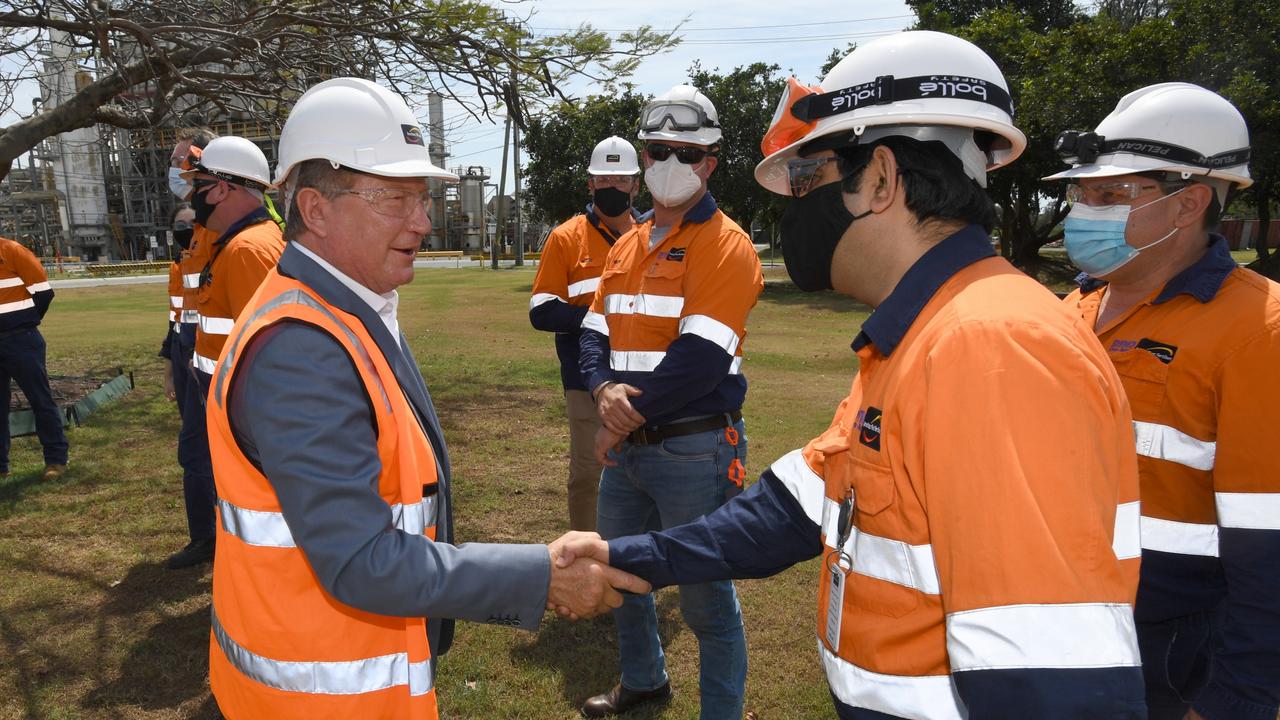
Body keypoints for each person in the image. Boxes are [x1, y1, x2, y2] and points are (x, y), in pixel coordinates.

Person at [555, 31, 1148, 719]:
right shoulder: (923, 335)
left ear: (882, 179)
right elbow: (794, 507)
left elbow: (1053, 681)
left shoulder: (991, 345)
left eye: (809, 179)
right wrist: (627, 556)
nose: (796, 205)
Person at [205, 77, 649, 720]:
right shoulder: (300, 349)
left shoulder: (349, 309)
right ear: (317, 208)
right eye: (395, 199)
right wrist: (539, 576)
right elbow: (361, 558)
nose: (423, 220)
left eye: (423, 198)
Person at [1047, 82, 1280, 720]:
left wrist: (1237, 698)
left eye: (1111, 194)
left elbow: (1269, 540)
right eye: (1082, 193)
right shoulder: (1073, 311)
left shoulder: (1258, 331)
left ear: (1189, 204)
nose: (1085, 211)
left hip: (1175, 647)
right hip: (1062, 621)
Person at [576, 84, 763, 719]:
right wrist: (603, 392)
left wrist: (621, 417)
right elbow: (594, 330)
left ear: (711, 161)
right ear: (642, 159)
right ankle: (644, 681)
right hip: (630, 446)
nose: (671, 163)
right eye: (658, 150)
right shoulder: (627, 243)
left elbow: (701, 359)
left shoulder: (725, 245)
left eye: (688, 151)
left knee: (705, 598)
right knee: (623, 578)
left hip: (693, 446)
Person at [530, 135, 643, 531]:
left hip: (646, 377)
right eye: (604, 180)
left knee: (648, 472)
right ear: (590, 184)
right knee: (588, 473)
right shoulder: (566, 237)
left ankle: (642, 554)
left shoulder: (655, 235)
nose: (612, 188)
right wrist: (599, 316)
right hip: (585, 380)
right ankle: (586, 555)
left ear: (636, 185)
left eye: (621, 180)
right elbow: (542, 311)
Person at [164, 127, 222, 570]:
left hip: (218, 366)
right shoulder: (194, 238)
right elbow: (182, 309)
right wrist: (173, 363)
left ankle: (214, 538)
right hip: (191, 358)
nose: (176, 167)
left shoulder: (222, 233)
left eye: (183, 159)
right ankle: (207, 536)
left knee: (201, 451)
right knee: (197, 453)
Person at [0, 235, 67, 481]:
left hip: (21, 340)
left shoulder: (12, 251)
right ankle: (1, 466)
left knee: (40, 400)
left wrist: (24, 323)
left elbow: (43, 294)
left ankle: (56, 460)